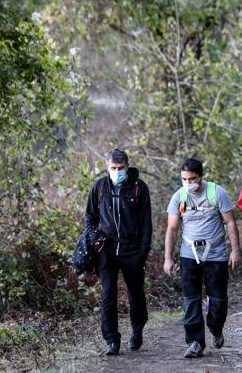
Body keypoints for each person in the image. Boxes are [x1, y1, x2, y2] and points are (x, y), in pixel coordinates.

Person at [163, 158, 242, 358]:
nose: (189, 183)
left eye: (192, 179)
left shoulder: (217, 193)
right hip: (189, 255)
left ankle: (216, 328)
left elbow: (230, 223)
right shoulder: (179, 197)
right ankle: (196, 341)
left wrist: (235, 250)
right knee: (191, 300)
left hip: (216, 255)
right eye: (184, 179)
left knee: (218, 300)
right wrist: (168, 258)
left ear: (201, 176)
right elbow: (172, 228)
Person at [84, 148, 152, 356]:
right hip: (107, 250)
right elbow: (89, 218)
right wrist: (95, 238)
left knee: (136, 294)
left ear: (127, 166)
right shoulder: (99, 187)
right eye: (113, 168)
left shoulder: (139, 188)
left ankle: (137, 330)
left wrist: (143, 252)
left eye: (121, 168)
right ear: (107, 167)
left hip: (132, 249)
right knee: (108, 295)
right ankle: (112, 340)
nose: (117, 171)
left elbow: (146, 223)